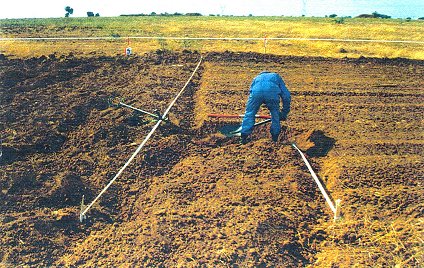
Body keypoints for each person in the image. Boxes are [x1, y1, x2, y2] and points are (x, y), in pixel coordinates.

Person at [240, 71, 291, 144]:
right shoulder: (277, 77)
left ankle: (244, 137)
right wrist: (284, 112)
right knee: (275, 115)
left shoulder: (257, 77)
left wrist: (260, 100)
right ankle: (275, 138)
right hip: (272, 94)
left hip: (256, 94)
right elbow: (286, 96)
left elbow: (251, 90)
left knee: (249, 113)